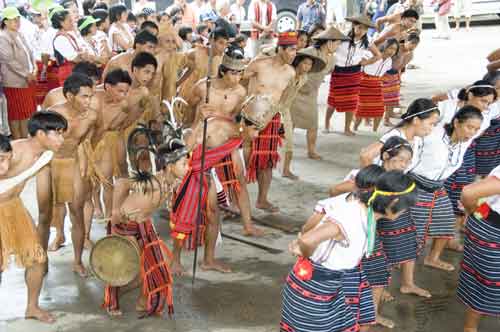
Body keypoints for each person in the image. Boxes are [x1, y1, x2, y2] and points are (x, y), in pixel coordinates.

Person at [280, 171, 417, 332]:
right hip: (315, 286)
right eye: (405, 207)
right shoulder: (351, 216)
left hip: (332, 285)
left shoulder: (368, 213)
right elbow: (307, 240)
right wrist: (305, 253)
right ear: (395, 201)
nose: (404, 211)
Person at [170, 94, 274, 275]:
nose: (257, 135)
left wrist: (247, 224)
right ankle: (175, 260)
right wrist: (197, 124)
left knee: (214, 215)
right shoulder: (217, 127)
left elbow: (239, 179)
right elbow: (185, 145)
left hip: (206, 173)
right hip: (188, 172)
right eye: (255, 130)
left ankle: (208, 260)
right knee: (184, 220)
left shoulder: (238, 136)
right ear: (245, 124)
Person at [360, 98, 441, 298]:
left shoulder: (416, 138)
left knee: (406, 239)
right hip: (386, 198)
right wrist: (376, 186)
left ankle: (408, 283)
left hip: (399, 195)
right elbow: (365, 155)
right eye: (430, 123)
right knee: (383, 246)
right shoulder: (395, 135)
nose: (431, 128)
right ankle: (378, 288)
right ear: (416, 120)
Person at [330, 137, 414, 328]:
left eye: (408, 162)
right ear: (385, 156)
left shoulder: (396, 182)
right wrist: (342, 210)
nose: (403, 165)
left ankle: (371, 314)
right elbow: (334, 190)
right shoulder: (369, 178)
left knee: (378, 273)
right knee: (351, 276)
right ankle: (355, 316)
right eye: (400, 160)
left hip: (372, 235)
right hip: (354, 234)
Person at [103, 139, 185, 317]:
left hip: (145, 225)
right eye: (183, 163)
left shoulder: (171, 183)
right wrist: (115, 210)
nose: (188, 166)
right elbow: (122, 184)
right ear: (169, 166)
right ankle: (112, 301)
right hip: (125, 225)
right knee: (124, 267)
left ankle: (142, 302)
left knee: (162, 266)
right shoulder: (151, 182)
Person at [0, 111, 67, 323]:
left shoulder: (46, 155)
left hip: (15, 207)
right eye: (57, 134)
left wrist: (46, 218)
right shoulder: (15, 151)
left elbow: (44, 193)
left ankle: (32, 307)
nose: (62, 139)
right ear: (40, 134)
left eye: (62, 133)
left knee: (37, 258)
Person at [410, 106, 483, 272]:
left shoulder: (466, 140)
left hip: (437, 187)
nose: (472, 133)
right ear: (456, 122)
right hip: (415, 185)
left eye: (476, 129)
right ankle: (399, 264)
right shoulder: (432, 135)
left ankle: (432, 258)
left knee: (446, 220)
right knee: (414, 230)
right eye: (469, 127)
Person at [45, 73, 98, 276]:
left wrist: (84, 161)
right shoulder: (53, 115)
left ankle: (77, 261)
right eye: (84, 96)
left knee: (76, 210)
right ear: (69, 95)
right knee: (46, 213)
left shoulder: (92, 116)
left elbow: (86, 139)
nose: (89, 101)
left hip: (73, 162)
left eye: (90, 96)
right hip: (51, 163)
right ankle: (47, 251)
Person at [243, 31, 298, 213]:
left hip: (272, 118)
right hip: (249, 116)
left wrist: (280, 119)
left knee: (266, 162)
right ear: (280, 49)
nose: (294, 54)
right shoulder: (259, 64)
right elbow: (237, 79)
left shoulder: (290, 73)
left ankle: (262, 200)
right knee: (242, 159)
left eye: (296, 50)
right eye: (291, 50)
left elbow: (284, 99)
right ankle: (234, 201)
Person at [291, 27, 348, 160]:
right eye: (337, 43)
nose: (338, 46)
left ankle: (311, 151)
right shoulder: (309, 52)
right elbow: (291, 62)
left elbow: (327, 72)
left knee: (313, 124)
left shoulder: (333, 59)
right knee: (290, 122)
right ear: (329, 42)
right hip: (296, 92)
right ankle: (284, 147)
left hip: (311, 94)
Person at [458, 165, 500, 332]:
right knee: (486, 284)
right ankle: (470, 328)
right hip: (492, 228)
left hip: (488, 222)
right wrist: (476, 213)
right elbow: (468, 194)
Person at [324, 15, 382, 136]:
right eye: (359, 27)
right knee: (333, 100)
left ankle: (347, 128)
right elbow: (329, 49)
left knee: (351, 101)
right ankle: (326, 123)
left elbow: (378, 55)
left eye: (365, 29)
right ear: (354, 26)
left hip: (354, 73)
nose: (361, 31)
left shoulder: (368, 41)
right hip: (338, 72)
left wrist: (366, 62)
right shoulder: (342, 36)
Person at [281, 47, 326, 179]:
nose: (307, 67)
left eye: (310, 64)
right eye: (305, 63)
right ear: (298, 62)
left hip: (285, 109)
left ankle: (286, 170)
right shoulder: (287, 73)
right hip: (274, 108)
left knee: (288, 142)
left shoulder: (304, 78)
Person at [177, 26, 229, 126]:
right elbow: (175, 69)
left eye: (226, 44)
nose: (224, 47)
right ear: (211, 40)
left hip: (205, 101)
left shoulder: (223, 60)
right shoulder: (194, 53)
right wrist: (176, 85)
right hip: (188, 98)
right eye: (221, 43)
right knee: (185, 128)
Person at [0, 6, 37, 139]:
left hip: (26, 79)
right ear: (5, 22)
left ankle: (24, 139)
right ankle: (17, 141)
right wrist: (27, 74)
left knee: (26, 113)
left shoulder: (19, 34)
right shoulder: (3, 37)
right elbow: (9, 61)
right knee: (16, 114)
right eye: (13, 20)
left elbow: (29, 53)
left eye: (18, 19)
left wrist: (34, 68)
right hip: (14, 82)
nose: (17, 22)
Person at [354, 38, 399, 132]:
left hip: (377, 84)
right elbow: (359, 64)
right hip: (364, 83)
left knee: (379, 109)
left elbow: (384, 74)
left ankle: (374, 131)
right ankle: (355, 128)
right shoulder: (372, 54)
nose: (392, 51)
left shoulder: (389, 61)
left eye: (394, 49)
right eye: (390, 48)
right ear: (385, 47)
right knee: (362, 108)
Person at [51, 7, 89, 86]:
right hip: (68, 73)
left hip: (77, 71)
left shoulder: (69, 35)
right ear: (62, 23)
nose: (72, 22)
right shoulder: (60, 39)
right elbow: (75, 58)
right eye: (69, 21)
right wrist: (83, 54)